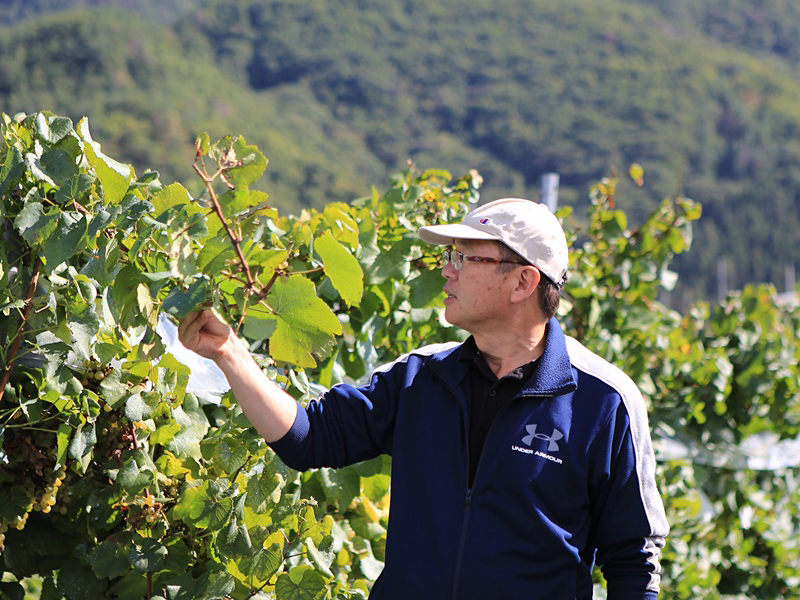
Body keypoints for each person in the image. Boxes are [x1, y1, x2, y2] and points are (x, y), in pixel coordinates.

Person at [178, 197, 669, 600]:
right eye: (449, 256)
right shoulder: (420, 377)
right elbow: (309, 438)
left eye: (464, 257)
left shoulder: (605, 402)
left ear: (524, 281)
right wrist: (229, 352)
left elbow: (633, 565)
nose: (447, 272)